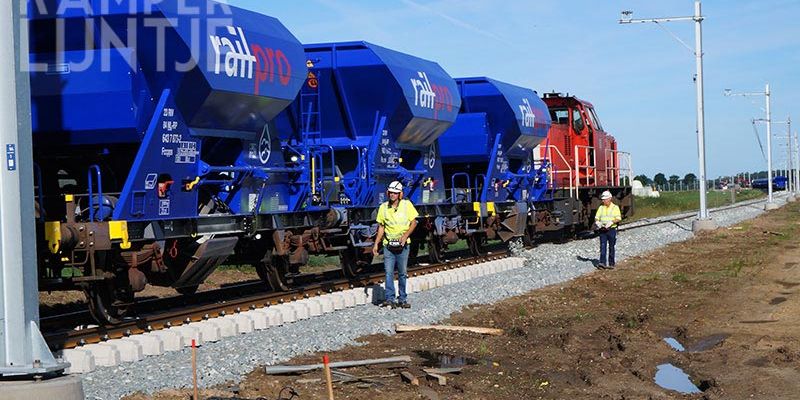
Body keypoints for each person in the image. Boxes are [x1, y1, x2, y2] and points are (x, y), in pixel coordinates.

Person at [373, 181, 418, 308]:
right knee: (388, 272)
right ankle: (390, 298)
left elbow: (414, 222)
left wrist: (405, 236)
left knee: (402, 273)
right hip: (388, 245)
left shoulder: (407, 205)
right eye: (391, 193)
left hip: (403, 245)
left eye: (395, 193)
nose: (392, 195)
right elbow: (381, 227)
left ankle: (402, 299)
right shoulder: (383, 208)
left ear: (400, 194)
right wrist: (376, 244)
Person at [595, 190, 622, 269]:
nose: (603, 201)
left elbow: (618, 218)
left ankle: (611, 263)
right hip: (602, 229)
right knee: (602, 246)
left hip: (611, 229)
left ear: (609, 199)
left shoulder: (615, 207)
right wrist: (598, 223)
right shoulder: (601, 207)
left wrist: (611, 222)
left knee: (611, 247)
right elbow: (597, 217)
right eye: (603, 199)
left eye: (605, 199)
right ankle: (602, 263)